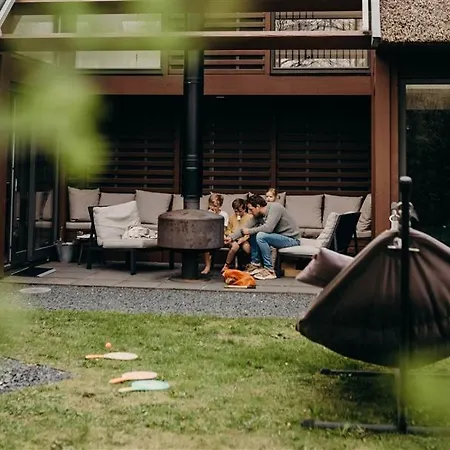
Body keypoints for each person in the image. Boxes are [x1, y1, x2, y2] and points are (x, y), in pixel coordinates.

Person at [225, 194, 300, 280]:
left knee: (260, 235)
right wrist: (231, 237)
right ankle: (256, 264)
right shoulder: (258, 215)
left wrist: (248, 231)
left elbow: (268, 228)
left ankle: (269, 270)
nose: (250, 212)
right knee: (254, 232)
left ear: (257, 207)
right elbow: (245, 227)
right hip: (279, 237)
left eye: (251, 209)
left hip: (291, 239)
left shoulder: (275, 208)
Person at [201, 193, 229, 275]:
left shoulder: (224, 215)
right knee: (206, 242)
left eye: (215, 206)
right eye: (211, 205)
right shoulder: (207, 214)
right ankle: (207, 266)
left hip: (220, 235)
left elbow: (223, 229)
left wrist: (215, 216)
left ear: (220, 206)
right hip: (209, 236)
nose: (213, 208)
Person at [222, 198, 252, 272]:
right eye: (236, 211)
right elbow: (228, 230)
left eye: (240, 211)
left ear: (244, 209)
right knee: (235, 247)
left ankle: (248, 264)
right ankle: (227, 264)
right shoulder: (232, 218)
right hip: (233, 239)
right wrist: (230, 235)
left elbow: (250, 231)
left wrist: (244, 239)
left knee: (247, 248)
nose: (238, 213)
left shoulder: (249, 218)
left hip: (244, 238)